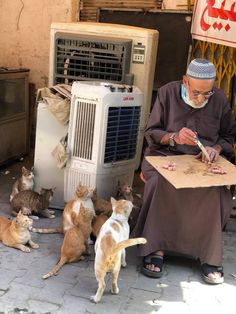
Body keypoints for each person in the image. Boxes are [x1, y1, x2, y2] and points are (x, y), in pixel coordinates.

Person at [134, 58, 236, 284]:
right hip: (164, 155)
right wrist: (174, 137)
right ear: (185, 82)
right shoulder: (168, 93)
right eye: (196, 92)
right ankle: (155, 248)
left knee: (214, 189)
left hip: (201, 160)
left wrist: (216, 148)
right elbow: (152, 132)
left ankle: (208, 255)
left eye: (206, 94)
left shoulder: (218, 99)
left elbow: (228, 136)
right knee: (162, 182)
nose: (201, 98)